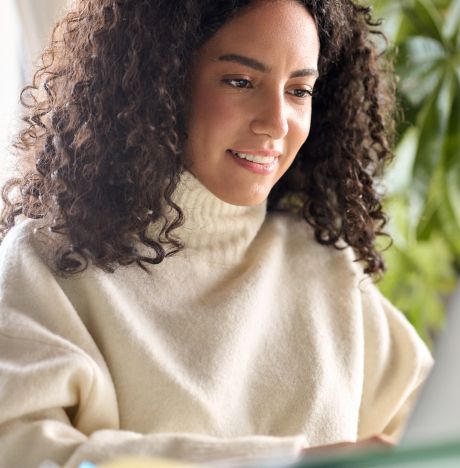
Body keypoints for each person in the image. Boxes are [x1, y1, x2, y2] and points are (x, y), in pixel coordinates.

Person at [0, 0, 432, 466]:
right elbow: (24, 450)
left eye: (299, 90)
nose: (276, 122)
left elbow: (447, 433)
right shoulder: (48, 262)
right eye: (240, 82)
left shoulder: (326, 267)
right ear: (160, 84)